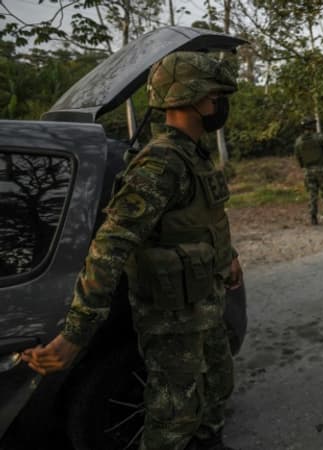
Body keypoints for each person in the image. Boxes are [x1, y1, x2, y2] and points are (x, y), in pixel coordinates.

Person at [21, 51, 243, 450]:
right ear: (193, 98)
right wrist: (76, 333)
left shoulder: (193, 155)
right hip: (172, 317)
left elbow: (203, 219)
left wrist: (230, 258)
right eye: (214, 95)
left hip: (203, 306)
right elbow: (109, 247)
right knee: (173, 415)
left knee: (215, 389)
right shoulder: (159, 164)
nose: (218, 104)